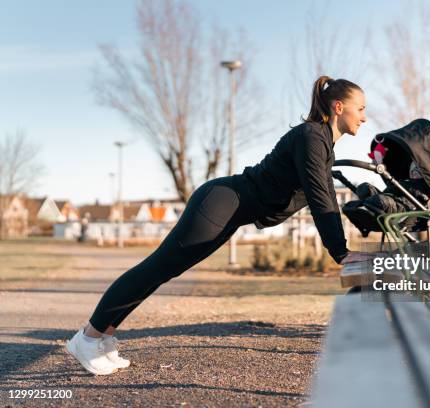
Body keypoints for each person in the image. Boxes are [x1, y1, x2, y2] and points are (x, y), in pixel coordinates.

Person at [66, 75, 375, 375]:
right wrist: (340, 252)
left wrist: (346, 240)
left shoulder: (321, 144)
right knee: (156, 267)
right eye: (360, 108)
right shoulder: (312, 137)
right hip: (221, 202)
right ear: (338, 107)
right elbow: (319, 196)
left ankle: (102, 339)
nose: (364, 116)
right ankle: (88, 338)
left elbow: (327, 195)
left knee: (163, 272)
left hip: (230, 210)